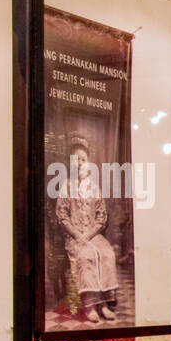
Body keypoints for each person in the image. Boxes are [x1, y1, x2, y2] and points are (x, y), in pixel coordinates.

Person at [55, 136, 119, 323]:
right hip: (74, 235)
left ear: (88, 163)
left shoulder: (94, 187)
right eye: (76, 159)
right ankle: (90, 306)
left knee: (107, 253)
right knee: (85, 256)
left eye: (83, 159)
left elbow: (102, 216)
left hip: (93, 235)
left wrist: (90, 234)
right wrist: (77, 234)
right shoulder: (66, 186)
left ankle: (104, 305)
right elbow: (62, 215)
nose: (80, 162)